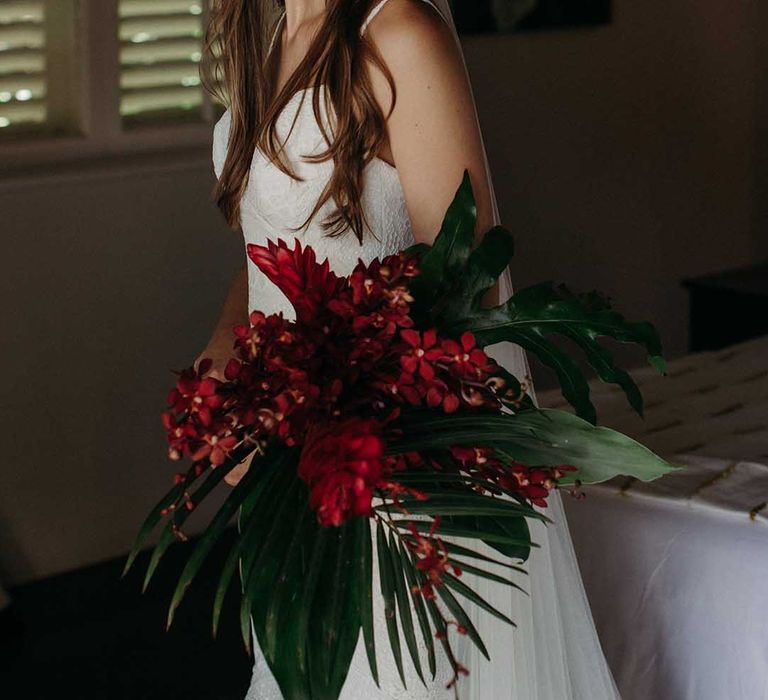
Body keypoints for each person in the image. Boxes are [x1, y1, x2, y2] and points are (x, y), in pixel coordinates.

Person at [198, 1, 621, 697]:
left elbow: (468, 280)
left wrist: (314, 412)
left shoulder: (398, 31)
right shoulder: (271, 30)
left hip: (389, 477)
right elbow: (267, 249)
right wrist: (224, 361)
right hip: (291, 475)